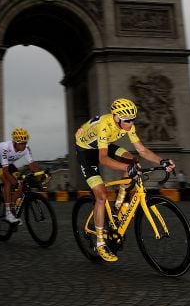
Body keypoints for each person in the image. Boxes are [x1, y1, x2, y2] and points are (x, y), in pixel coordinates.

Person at [75, 97, 175, 262]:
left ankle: (118, 204)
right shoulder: (104, 127)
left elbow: (142, 150)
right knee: (100, 195)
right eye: (127, 121)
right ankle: (100, 243)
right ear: (116, 117)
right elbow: (104, 159)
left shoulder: (128, 124)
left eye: (133, 120)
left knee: (133, 160)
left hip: (103, 144)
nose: (130, 124)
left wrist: (161, 161)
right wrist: (126, 168)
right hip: (87, 151)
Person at [0, 128, 41, 225]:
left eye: (25, 142)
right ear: (15, 143)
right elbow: (6, 172)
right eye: (21, 143)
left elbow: (32, 166)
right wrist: (14, 182)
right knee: (8, 181)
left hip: (8, 163)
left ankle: (12, 204)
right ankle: (8, 213)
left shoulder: (26, 148)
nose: (24, 145)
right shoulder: (5, 149)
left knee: (20, 182)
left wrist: (40, 176)